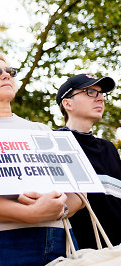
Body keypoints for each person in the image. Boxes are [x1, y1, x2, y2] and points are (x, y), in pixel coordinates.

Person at [0, 51, 84, 266]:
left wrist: (59, 209)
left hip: (56, 237)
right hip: (0, 242)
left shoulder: (41, 130)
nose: (6, 75)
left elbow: (78, 189)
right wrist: (31, 213)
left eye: (10, 72)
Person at [55, 74, 121, 249]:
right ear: (67, 103)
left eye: (101, 93)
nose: (100, 98)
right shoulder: (53, 142)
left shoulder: (109, 149)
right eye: (90, 92)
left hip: (115, 254)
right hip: (76, 255)